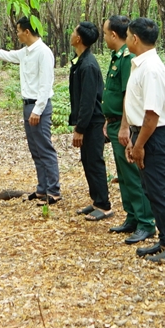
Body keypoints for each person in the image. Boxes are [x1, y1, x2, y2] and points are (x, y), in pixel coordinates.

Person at [0, 16, 59, 205]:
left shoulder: (43, 52)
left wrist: (38, 110)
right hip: (27, 105)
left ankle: (54, 191)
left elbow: (46, 84)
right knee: (35, 149)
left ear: (27, 32)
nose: (17, 34)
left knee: (45, 148)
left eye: (18, 30)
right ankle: (42, 189)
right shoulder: (25, 52)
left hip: (38, 107)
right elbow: (7, 55)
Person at [121, 18, 165, 262]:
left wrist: (139, 146)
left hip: (153, 135)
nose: (126, 40)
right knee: (151, 189)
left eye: (127, 36)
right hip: (143, 133)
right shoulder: (140, 65)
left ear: (135, 39)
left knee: (159, 191)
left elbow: (152, 114)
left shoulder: (152, 69)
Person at [101, 15, 155, 245]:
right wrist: (109, 120)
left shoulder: (126, 59)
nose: (104, 37)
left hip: (123, 126)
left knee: (132, 176)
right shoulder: (116, 57)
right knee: (122, 176)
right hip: (113, 123)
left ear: (114, 34)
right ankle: (131, 216)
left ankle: (146, 222)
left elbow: (127, 95)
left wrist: (124, 126)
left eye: (105, 33)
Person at [67, 22, 111, 220]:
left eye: (74, 31)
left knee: (94, 162)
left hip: (93, 123)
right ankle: (96, 201)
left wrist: (80, 128)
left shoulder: (89, 65)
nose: (71, 34)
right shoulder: (80, 61)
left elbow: (88, 100)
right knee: (87, 161)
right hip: (87, 122)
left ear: (79, 39)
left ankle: (104, 205)